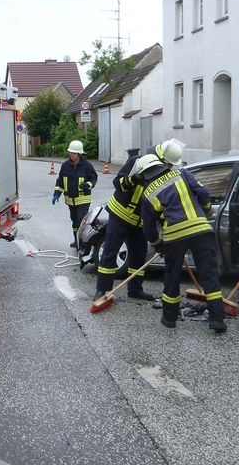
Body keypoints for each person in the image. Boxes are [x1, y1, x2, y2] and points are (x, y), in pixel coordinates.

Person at [139, 139, 226, 333]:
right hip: (201, 230)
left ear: (145, 174)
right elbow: (203, 192)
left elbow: (149, 227)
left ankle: (169, 318)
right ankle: (217, 319)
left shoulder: (148, 194)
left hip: (174, 236)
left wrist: (157, 244)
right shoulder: (182, 173)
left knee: (172, 277)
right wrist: (207, 209)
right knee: (209, 274)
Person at [93, 149, 156, 303]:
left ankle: (135, 289)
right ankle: (102, 290)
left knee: (139, 254)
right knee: (110, 251)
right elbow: (117, 183)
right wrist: (131, 180)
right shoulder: (136, 162)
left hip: (138, 221)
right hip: (119, 215)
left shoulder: (160, 173)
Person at [53, 140, 97, 248]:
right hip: (70, 201)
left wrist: (88, 184)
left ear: (79, 154)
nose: (71, 154)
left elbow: (93, 178)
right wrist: (57, 193)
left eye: (74, 153)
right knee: (74, 221)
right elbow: (60, 181)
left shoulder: (87, 165)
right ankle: (76, 240)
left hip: (83, 200)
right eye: (70, 152)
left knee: (80, 221)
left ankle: (82, 242)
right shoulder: (65, 166)